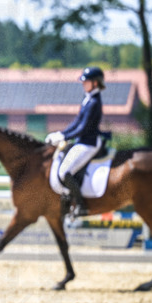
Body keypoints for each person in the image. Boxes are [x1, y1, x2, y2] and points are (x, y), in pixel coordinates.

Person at [46, 67, 106, 217]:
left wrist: (65, 137)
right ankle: (68, 195)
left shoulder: (94, 102)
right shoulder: (88, 99)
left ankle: (81, 205)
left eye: (86, 82)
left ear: (95, 83)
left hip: (89, 143)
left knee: (65, 172)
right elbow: (77, 123)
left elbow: (83, 127)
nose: (83, 84)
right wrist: (62, 133)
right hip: (82, 141)